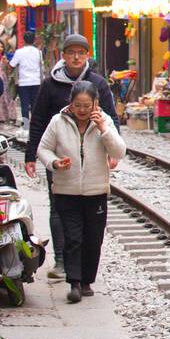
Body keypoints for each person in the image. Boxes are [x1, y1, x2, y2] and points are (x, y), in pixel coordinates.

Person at [23, 35, 120, 283]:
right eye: (71, 52)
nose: (76, 57)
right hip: (59, 156)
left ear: (87, 55)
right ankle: (62, 260)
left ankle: (80, 267)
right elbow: (39, 120)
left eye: (81, 52)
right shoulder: (51, 84)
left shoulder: (98, 83)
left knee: (89, 219)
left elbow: (112, 118)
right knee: (58, 208)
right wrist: (32, 154)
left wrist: (112, 148)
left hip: (92, 159)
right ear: (63, 56)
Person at [36, 81, 127, 304]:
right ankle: (74, 283)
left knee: (93, 238)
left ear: (95, 103)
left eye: (87, 105)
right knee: (73, 237)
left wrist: (104, 130)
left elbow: (119, 151)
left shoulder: (103, 121)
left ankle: (87, 281)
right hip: (66, 191)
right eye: (78, 105)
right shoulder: (58, 121)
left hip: (95, 191)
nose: (83, 110)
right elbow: (43, 149)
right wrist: (55, 163)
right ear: (71, 103)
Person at [11, 30, 44, 126]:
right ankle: (34, 124)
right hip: (36, 81)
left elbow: (12, 65)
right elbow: (41, 66)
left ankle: (25, 125)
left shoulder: (19, 52)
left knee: (24, 105)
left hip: (23, 82)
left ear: (24, 40)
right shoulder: (39, 52)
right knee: (35, 104)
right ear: (34, 40)